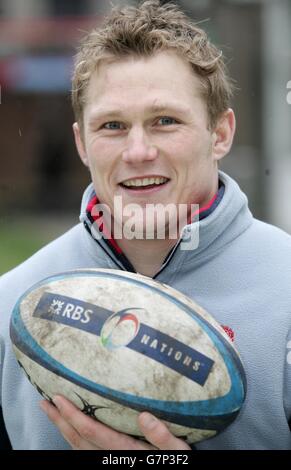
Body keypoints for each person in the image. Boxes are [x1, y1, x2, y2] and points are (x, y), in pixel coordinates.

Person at [1, 0, 291, 451]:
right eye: (112, 125)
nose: (138, 151)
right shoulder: (12, 305)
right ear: (81, 142)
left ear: (221, 133)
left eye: (165, 121)